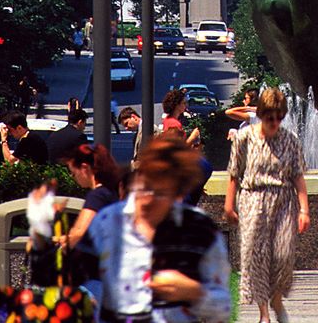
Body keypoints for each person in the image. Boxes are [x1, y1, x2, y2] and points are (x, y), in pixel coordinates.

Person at [76, 134, 231, 322]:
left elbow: (223, 308)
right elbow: (77, 278)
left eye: (160, 192)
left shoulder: (201, 231)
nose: (148, 197)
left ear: (179, 194)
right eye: (144, 186)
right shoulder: (109, 222)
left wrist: (194, 292)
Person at [225, 87, 309, 323]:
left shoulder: (290, 140)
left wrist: (304, 209)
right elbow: (234, 173)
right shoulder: (244, 138)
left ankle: (277, 299)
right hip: (253, 199)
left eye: (279, 117)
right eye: (269, 117)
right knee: (256, 256)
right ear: (261, 115)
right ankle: (264, 314)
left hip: (283, 200)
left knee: (283, 255)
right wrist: (229, 205)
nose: (274, 122)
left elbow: (298, 175)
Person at [61, 143, 120, 249]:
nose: (73, 177)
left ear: (84, 168)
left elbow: (79, 233)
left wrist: (66, 245)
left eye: (73, 173)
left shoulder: (97, 196)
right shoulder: (112, 190)